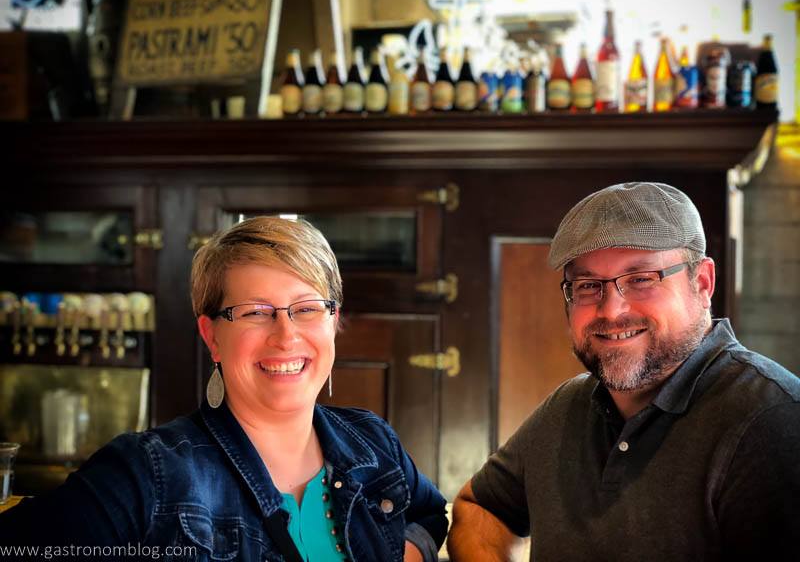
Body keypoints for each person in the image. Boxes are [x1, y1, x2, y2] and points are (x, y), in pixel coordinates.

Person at [0, 217, 448, 561]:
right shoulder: (151, 472)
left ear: (333, 322)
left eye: (307, 309)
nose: (286, 335)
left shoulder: (372, 442)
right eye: (255, 312)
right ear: (212, 336)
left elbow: (429, 515)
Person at [447, 182, 800, 561]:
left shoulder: (773, 423)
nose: (612, 311)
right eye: (588, 285)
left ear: (702, 283)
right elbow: (478, 507)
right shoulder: (567, 407)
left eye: (641, 279)